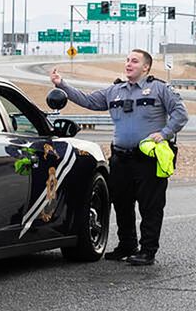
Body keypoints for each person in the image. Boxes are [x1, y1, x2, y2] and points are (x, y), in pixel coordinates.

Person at [50, 49, 188, 266]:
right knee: (122, 204)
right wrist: (62, 85)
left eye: (134, 61)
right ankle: (127, 245)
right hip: (121, 159)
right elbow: (88, 101)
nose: (128, 64)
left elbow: (181, 113)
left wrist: (164, 133)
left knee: (150, 206)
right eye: (127, 60)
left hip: (148, 160)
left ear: (146, 67)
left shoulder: (159, 89)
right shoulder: (115, 91)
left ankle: (148, 250)